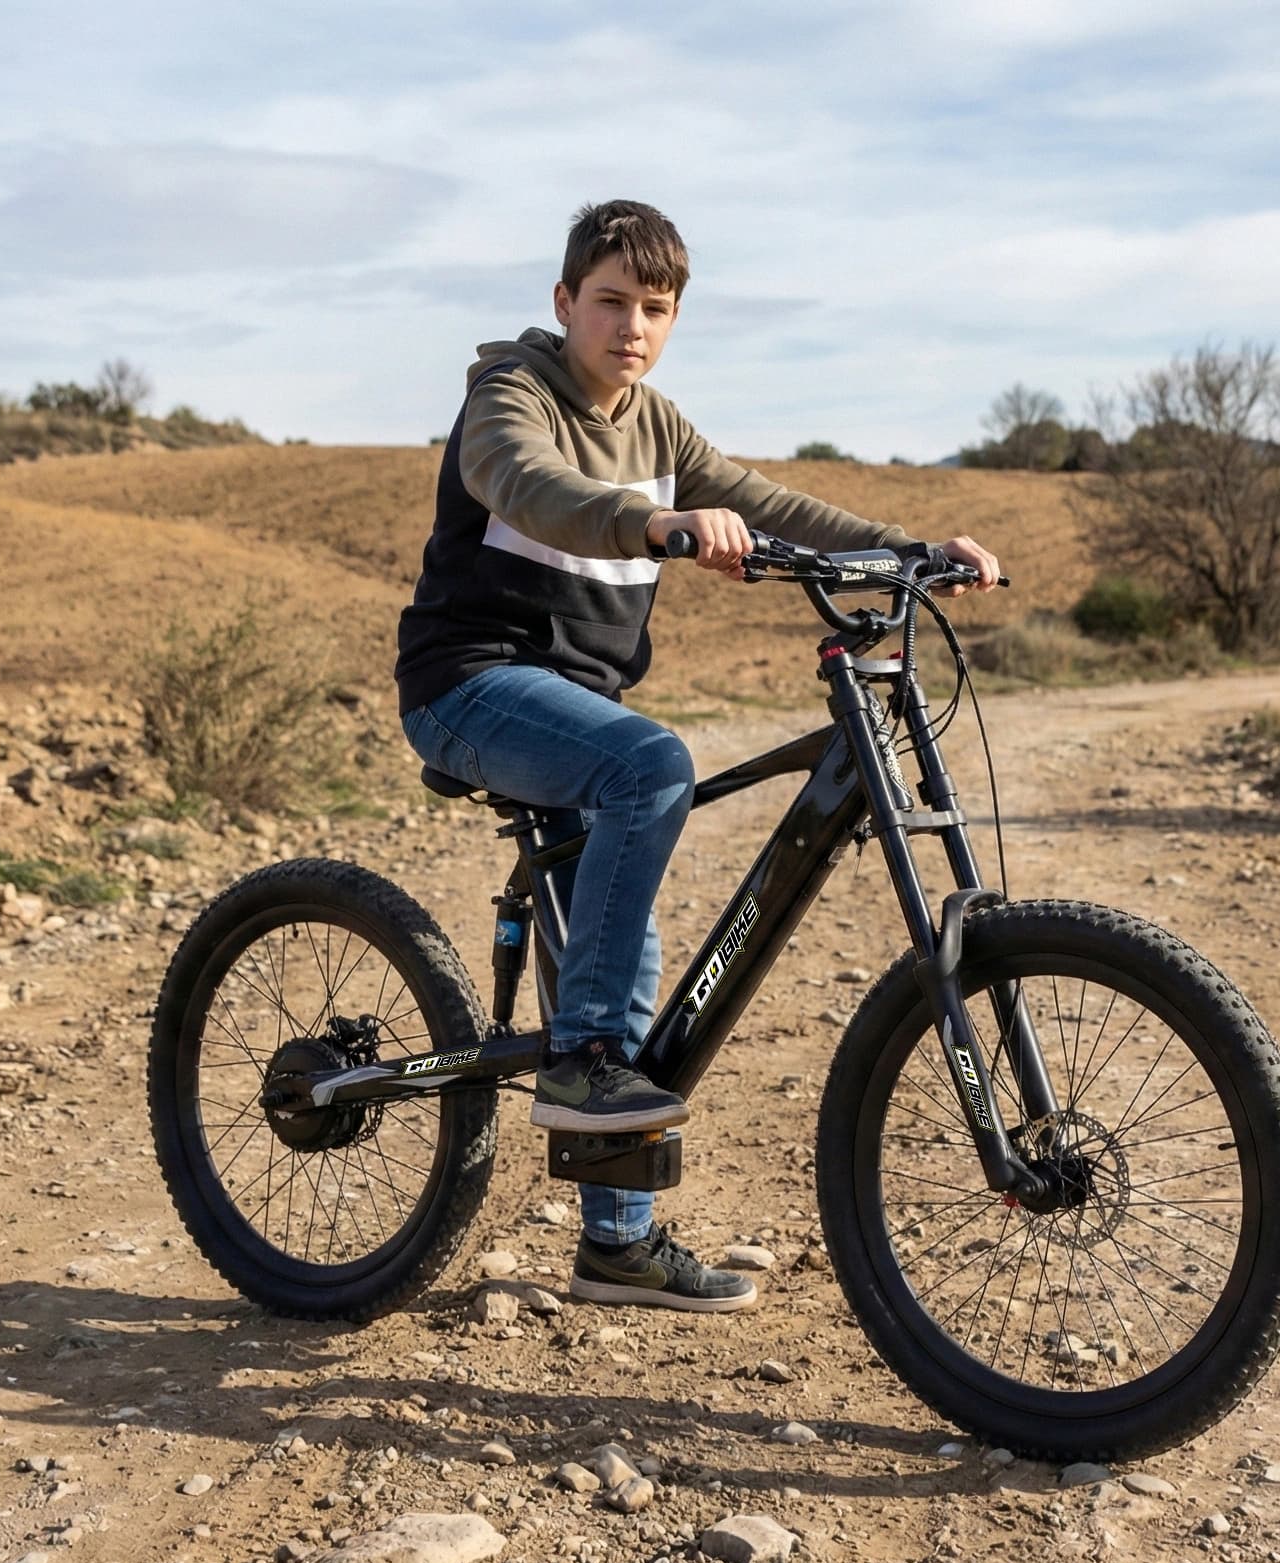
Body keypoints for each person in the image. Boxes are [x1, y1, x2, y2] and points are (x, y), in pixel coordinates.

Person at [395, 199, 1001, 1313]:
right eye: (610, 301)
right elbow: (525, 485)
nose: (631, 325)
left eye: (654, 308)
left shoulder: (659, 428)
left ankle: (616, 1244)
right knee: (654, 768)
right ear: (564, 301)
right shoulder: (507, 395)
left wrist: (908, 553)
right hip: (468, 688)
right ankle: (579, 1057)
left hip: (572, 709)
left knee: (630, 948)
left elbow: (768, 503)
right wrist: (653, 524)